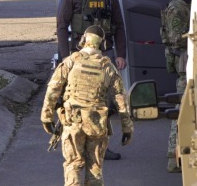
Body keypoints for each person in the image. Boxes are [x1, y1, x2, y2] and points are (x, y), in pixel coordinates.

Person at [41, 25, 133, 186]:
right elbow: (121, 99)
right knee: (95, 169)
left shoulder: (70, 62)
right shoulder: (107, 67)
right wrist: (127, 128)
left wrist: (46, 117)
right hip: (97, 124)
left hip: (72, 122)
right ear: (102, 44)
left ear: (83, 40)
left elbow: (53, 89)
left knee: (73, 164)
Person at [57, 0, 126, 160]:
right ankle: (80, 145)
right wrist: (65, 57)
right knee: (79, 100)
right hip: (80, 55)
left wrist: (121, 54)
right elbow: (62, 26)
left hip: (105, 54)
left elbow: (119, 26)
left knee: (105, 102)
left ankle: (100, 147)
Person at [160, 0, 193, 173]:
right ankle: (173, 157)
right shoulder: (177, 7)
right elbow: (175, 38)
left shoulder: (183, 4)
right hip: (184, 64)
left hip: (186, 63)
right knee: (180, 113)